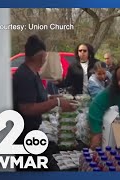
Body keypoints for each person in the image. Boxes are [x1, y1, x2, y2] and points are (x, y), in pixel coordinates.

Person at [12, 35, 77, 171]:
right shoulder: (25, 76)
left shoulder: (33, 73)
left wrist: (54, 97)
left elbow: (37, 97)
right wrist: (57, 103)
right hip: (24, 136)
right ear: (41, 56)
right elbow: (27, 108)